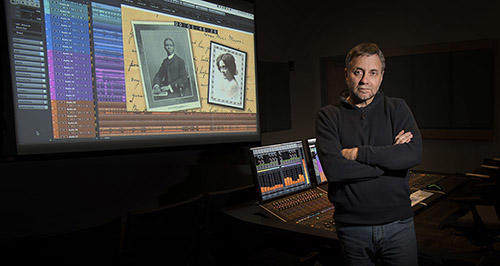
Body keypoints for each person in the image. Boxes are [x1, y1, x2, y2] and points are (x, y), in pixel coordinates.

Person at [316, 43, 422, 266]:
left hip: (399, 226)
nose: (365, 80)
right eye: (358, 72)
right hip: (352, 229)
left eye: (373, 73)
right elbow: (335, 170)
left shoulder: (397, 109)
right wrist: (391, 159)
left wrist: (358, 153)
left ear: (381, 76)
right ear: (347, 75)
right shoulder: (328, 116)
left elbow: (412, 155)